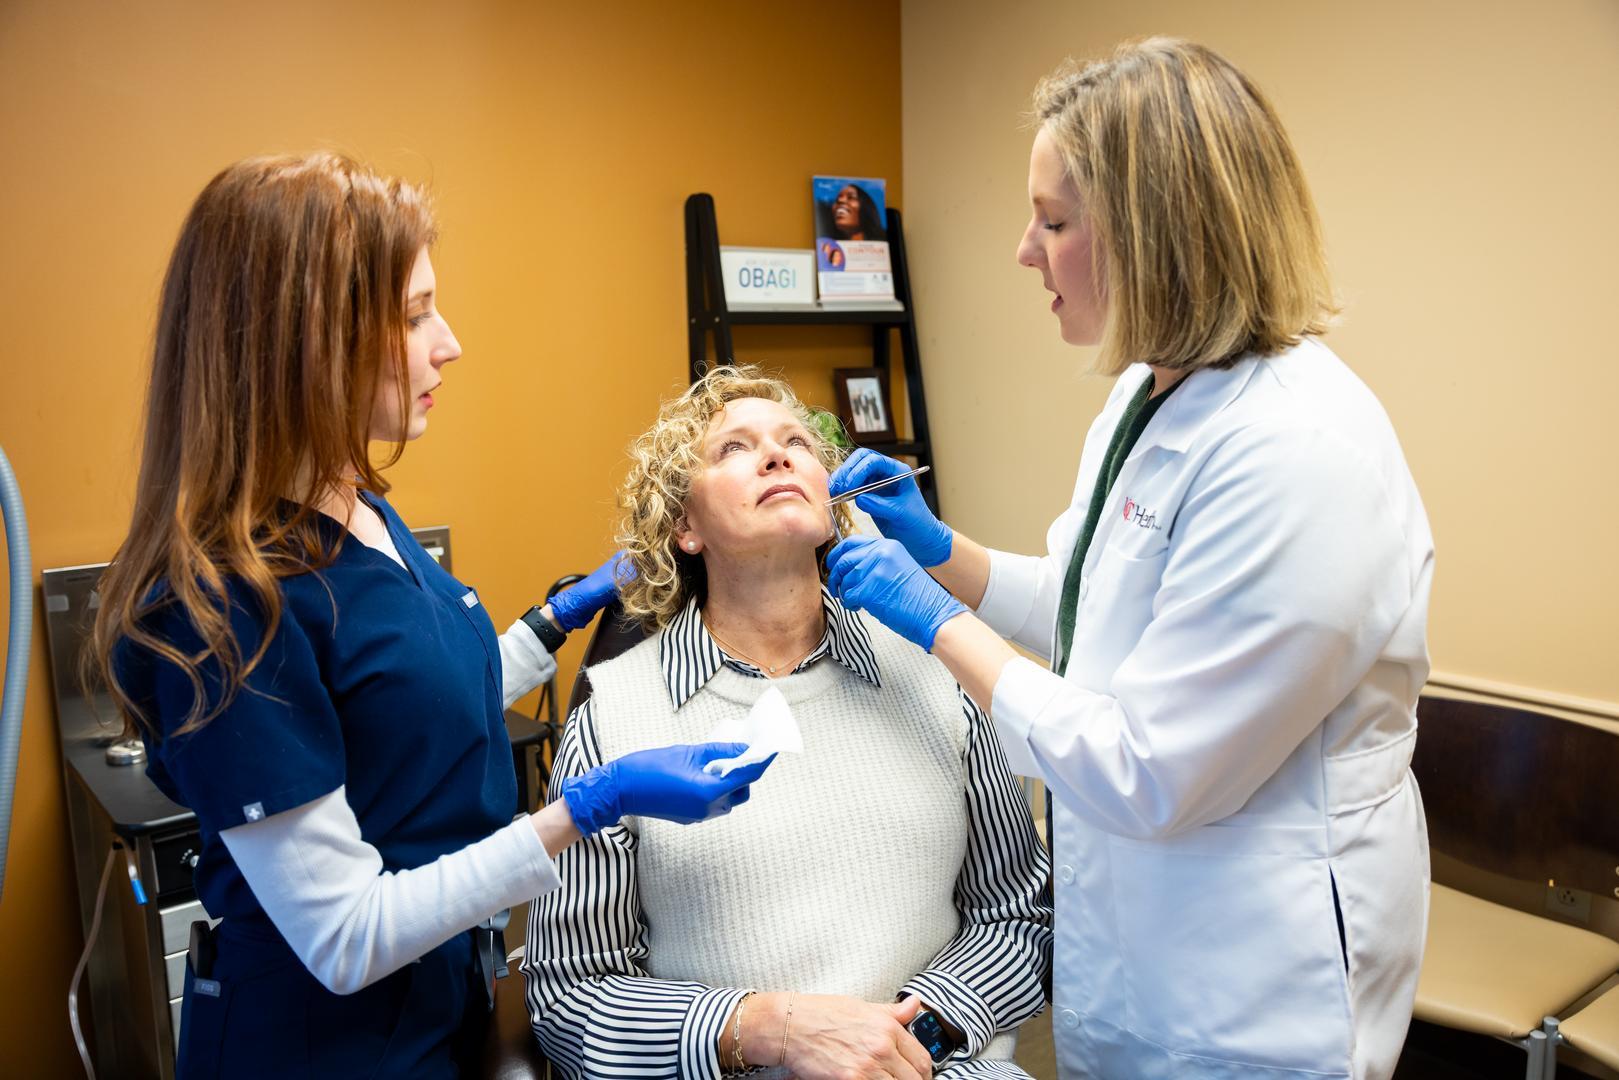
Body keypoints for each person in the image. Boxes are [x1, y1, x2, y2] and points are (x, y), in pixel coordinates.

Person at [825, 38, 1433, 1080]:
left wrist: (935, 623)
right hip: (1136, 939)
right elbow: (1092, 609)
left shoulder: (1298, 453)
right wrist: (946, 556)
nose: (1023, 251)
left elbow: (1149, 768)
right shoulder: (1148, 392)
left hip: (1249, 986)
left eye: (1054, 222)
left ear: (1158, 238)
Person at [89, 153, 772, 1079]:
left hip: (437, 1013)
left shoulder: (358, 505)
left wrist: (551, 623)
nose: (447, 343)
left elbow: (400, 707)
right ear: (306, 337)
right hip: (321, 1048)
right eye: (413, 316)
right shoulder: (222, 602)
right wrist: (587, 808)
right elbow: (344, 937)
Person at [521, 366, 1052, 1080]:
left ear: (835, 498)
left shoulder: (939, 676)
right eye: (733, 449)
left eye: (795, 442)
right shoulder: (613, 720)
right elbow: (570, 997)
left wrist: (911, 1039)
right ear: (684, 527)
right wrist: (768, 1031)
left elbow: (1017, 915)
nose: (776, 455)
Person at [820, 181, 887, 242]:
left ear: (865, 207)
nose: (840, 200)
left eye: (851, 197)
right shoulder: (826, 245)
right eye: (837, 199)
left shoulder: (882, 243)